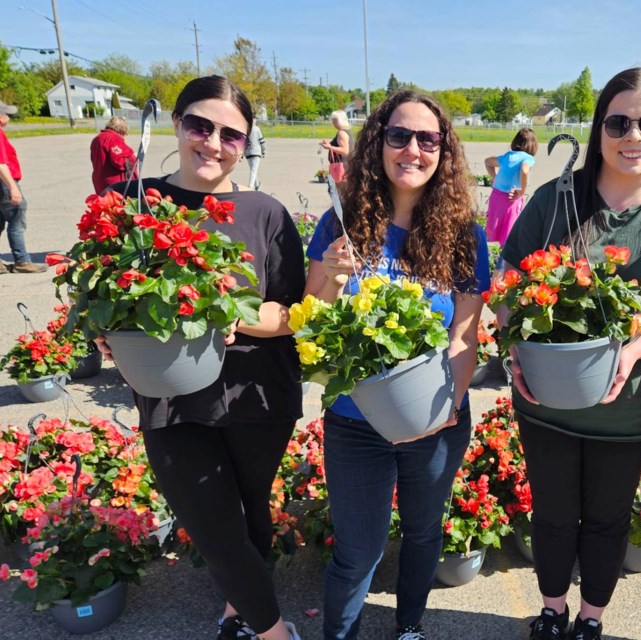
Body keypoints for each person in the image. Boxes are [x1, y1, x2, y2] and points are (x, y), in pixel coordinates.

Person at [499, 67, 641, 640]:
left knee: (605, 520)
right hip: (546, 401)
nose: (634, 135)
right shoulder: (557, 199)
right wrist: (515, 347)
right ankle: (552, 611)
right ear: (599, 129)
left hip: (630, 409)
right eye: (619, 121)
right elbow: (509, 279)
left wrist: (633, 350)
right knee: (550, 514)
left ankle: (591, 620)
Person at [96, 76, 305, 640]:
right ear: (177, 124)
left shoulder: (265, 212)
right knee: (211, 523)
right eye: (200, 125)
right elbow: (101, 294)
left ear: (247, 143)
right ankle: (274, 631)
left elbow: (293, 314)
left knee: (249, 510)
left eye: (231, 134)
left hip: (256, 391)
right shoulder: (133, 201)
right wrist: (103, 330)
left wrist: (231, 315)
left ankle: (240, 612)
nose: (213, 143)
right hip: (169, 392)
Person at [304, 90, 489, 640]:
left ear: (443, 151)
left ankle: (409, 625)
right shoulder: (341, 223)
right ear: (378, 144)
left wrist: (446, 408)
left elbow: (464, 333)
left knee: (423, 532)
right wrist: (334, 274)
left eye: (427, 138)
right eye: (399, 135)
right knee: (357, 551)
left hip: (434, 420)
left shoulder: (463, 238)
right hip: (354, 423)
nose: (413, 149)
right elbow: (311, 317)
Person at [0, 100, 47, 274]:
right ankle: (22, 261)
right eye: (5, 113)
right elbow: (1, 164)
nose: (8, 117)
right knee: (17, 220)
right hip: (4, 182)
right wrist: (13, 187)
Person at [483, 127, 537, 245]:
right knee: (510, 228)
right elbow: (524, 170)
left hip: (496, 196)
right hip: (511, 198)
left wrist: (495, 177)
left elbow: (487, 161)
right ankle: (505, 256)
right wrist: (522, 191)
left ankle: (491, 251)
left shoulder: (508, 156)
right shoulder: (528, 158)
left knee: (493, 225)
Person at [90, 116, 138, 195]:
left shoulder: (97, 138)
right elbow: (121, 162)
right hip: (114, 184)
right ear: (122, 129)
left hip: (99, 181)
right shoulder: (113, 139)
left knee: (104, 206)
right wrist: (134, 157)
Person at [320, 110, 353, 183]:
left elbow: (345, 151)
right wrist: (330, 144)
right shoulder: (347, 131)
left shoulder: (341, 133)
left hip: (342, 168)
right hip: (347, 166)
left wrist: (330, 147)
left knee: (340, 192)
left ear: (339, 121)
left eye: (334, 120)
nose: (332, 123)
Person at [244, 116, 266, 190]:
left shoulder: (245, 129)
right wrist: (263, 150)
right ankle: (250, 186)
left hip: (247, 152)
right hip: (256, 151)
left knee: (253, 169)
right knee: (253, 170)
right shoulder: (256, 129)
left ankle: (257, 184)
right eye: (255, 119)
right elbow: (262, 141)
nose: (255, 121)